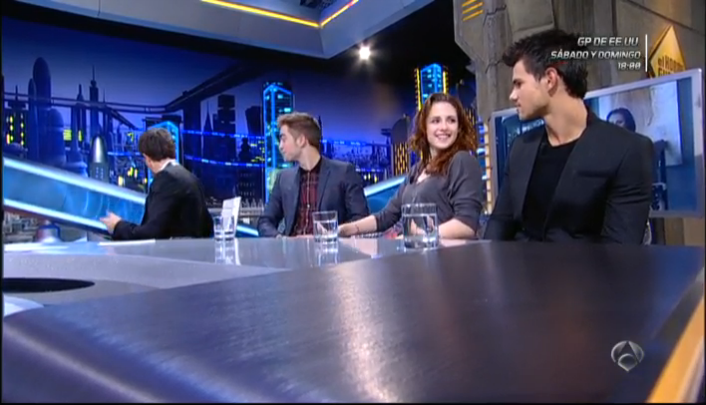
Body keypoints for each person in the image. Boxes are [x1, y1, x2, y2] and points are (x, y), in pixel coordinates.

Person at [484, 29, 654, 244]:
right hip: (515, 265)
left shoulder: (628, 150)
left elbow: (619, 251)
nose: (512, 95)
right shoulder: (521, 147)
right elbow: (499, 227)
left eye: (519, 84)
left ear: (550, 79)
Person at [338, 93, 484, 239]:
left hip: (449, 252)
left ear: (459, 127)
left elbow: (466, 225)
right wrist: (346, 229)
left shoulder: (462, 161)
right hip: (419, 251)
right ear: (424, 127)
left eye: (451, 120)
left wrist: (421, 236)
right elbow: (386, 216)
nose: (444, 127)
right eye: (436, 121)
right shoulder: (418, 169)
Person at [257, 112, 369, 237]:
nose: (280, 146)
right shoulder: (283, 178)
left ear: (301, 140)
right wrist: (281, 240)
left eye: (283, 139)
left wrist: (331, 234)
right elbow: (264, 221)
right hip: (292, 247)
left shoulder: (344, 173)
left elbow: (361, 220)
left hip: (329, 246)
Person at [100, 127, 213, 240]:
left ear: (147, 158)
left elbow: (151, 234)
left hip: (174, 251)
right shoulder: (191, 178)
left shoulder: (166, 179)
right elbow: (207, 226)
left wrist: (118, 226)